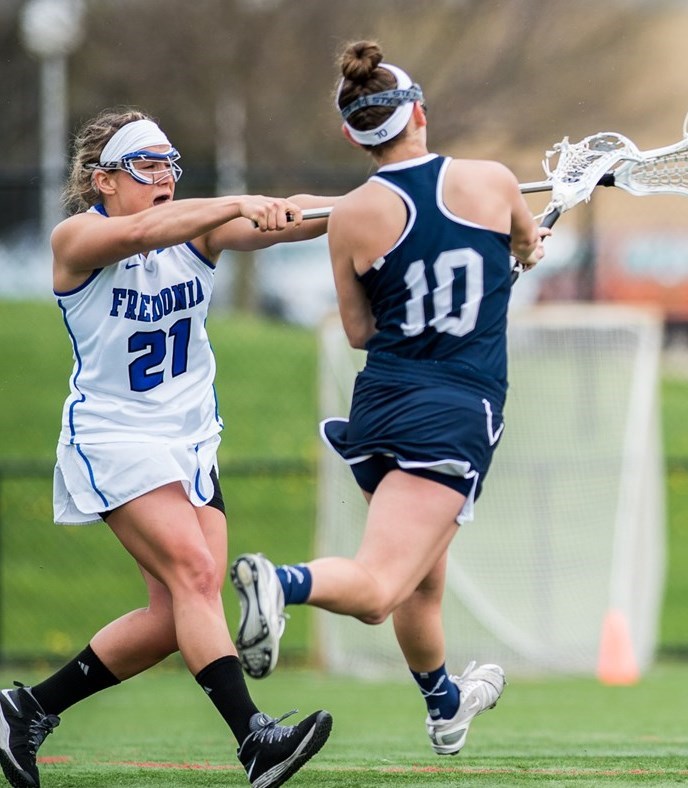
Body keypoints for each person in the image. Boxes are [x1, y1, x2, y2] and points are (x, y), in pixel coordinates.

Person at [228, 40, 548, 757]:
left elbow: (359, 330)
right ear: (420, 113)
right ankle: (280, 583)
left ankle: (445, 706)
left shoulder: (350, 216)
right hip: (453, 412)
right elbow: (525, 250)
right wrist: (520, 255)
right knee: (378, 590)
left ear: (353, 136)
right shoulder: (494, 181)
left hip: (380, 405)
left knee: (422, 580)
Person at [0, 109, 334, 788]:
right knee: (194, 574)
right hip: (115, 437)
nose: (164, 177)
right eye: (146, 165)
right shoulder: (76, 237)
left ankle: (25, 710)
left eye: (170, 165)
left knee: (173, 614)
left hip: (191, 440)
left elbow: (297, 215)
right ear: (104, 179)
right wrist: (238, 202)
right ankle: (254, 739)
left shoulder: (197, 234)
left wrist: (392, 204)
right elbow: (142, 232)